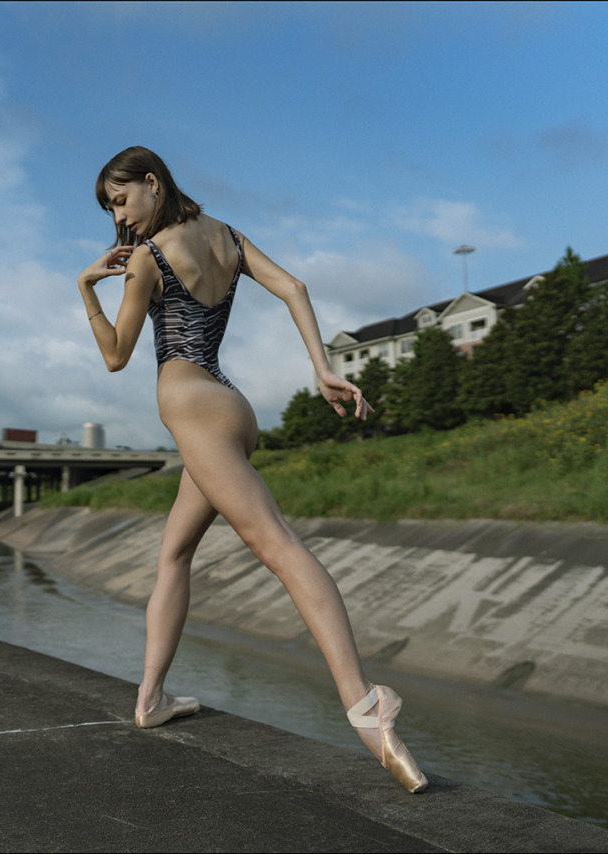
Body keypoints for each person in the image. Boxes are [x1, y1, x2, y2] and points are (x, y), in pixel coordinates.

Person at [77, 146, 428, 794]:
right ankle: (152, 698)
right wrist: (322, 367)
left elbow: (116, 356)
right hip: (230, 408)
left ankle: (364, 707)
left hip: (195, 411)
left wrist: (85, 288)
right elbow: (293, 286)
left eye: (121, 199)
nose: (119, 217)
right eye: (110, 209)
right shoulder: (227, 237)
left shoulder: (150, 260)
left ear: (152, 183)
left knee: (278, 546)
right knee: (174, 552)